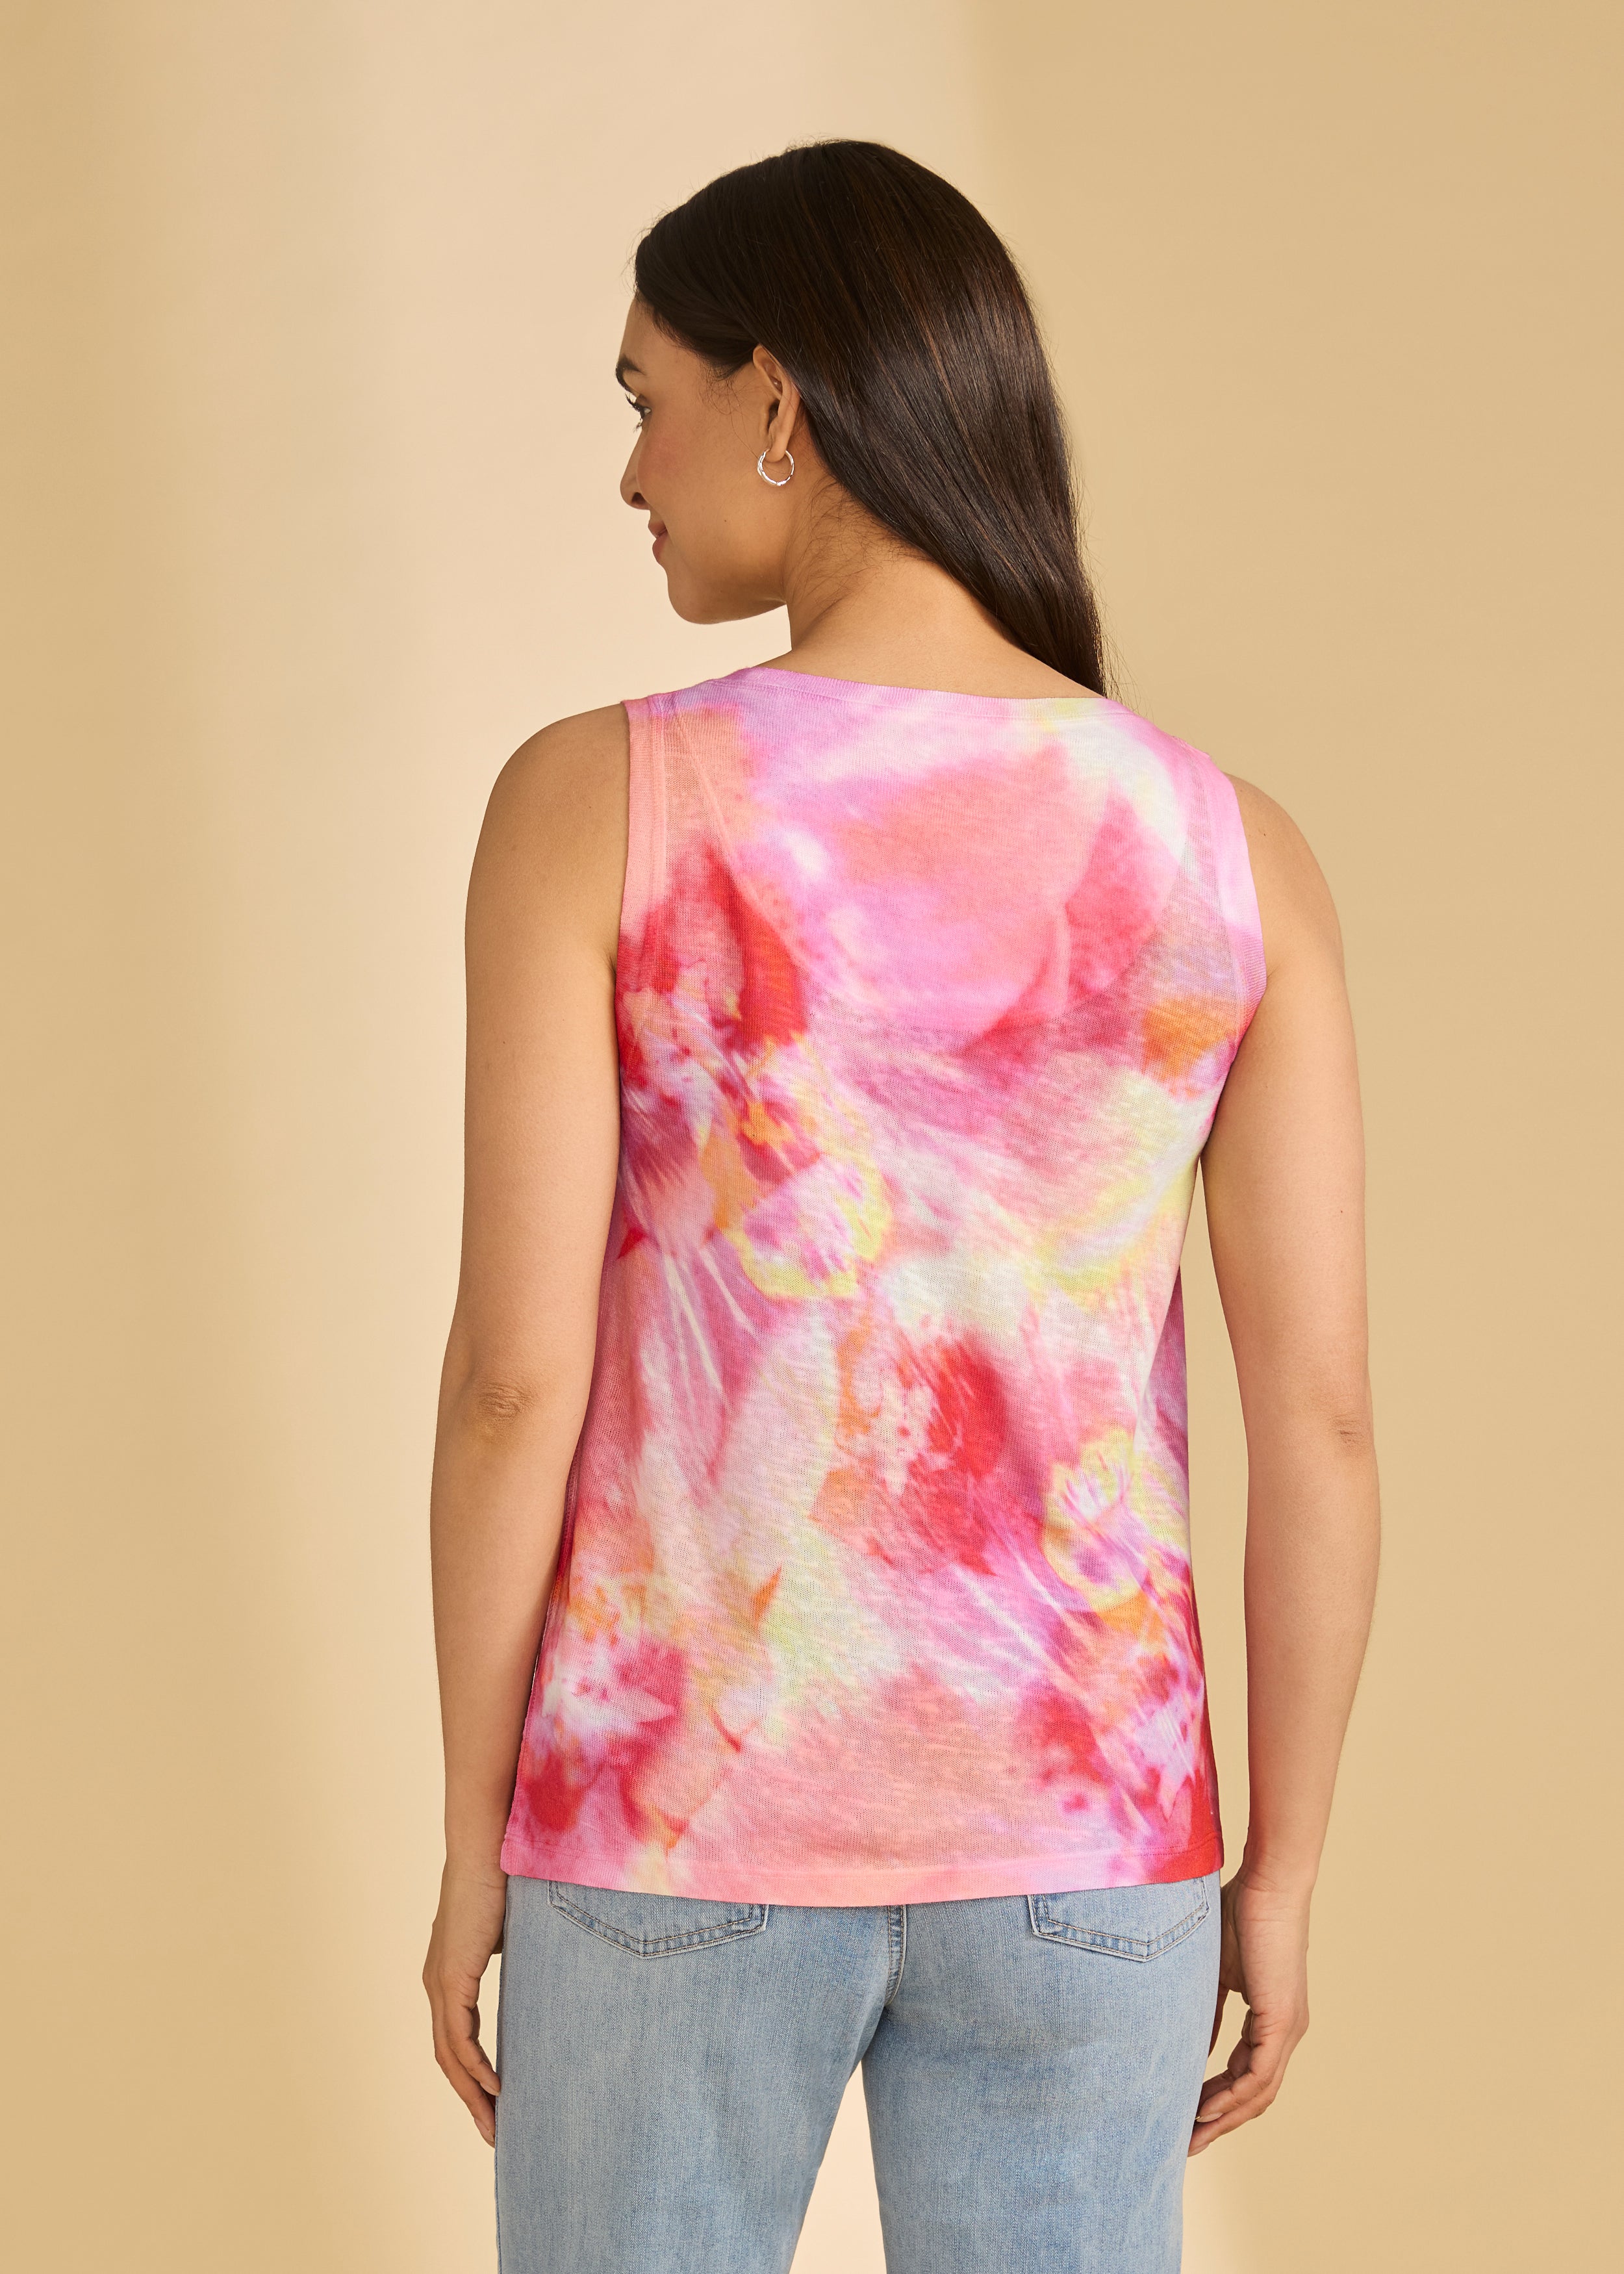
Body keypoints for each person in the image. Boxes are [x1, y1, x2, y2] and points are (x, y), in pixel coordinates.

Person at [421, 139, 1380, 2274]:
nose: (630, 468)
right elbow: (1316, 1421)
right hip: (1087, 1843)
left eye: (646, 398)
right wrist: (1281, 1871)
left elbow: (511, 1384)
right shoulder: (1234, 850)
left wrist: (478, 1830)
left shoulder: (593, 798)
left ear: (776, 398)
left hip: (676, 1823)